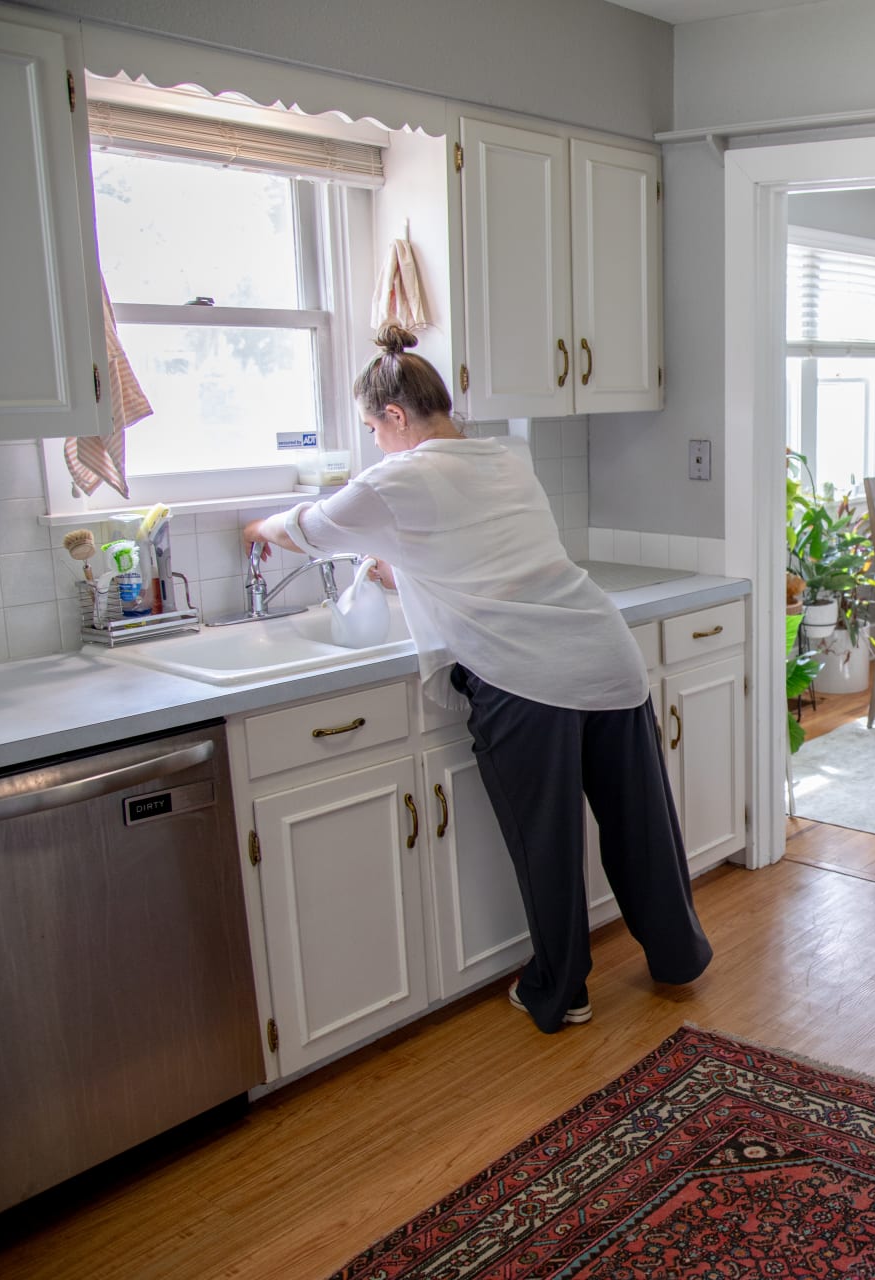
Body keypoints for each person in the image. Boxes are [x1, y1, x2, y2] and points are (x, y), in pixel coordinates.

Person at [244, 323, 712, 1033]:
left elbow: (305, 528)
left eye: (373, 427)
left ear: (395, 417)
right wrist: (399, 569)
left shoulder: (398, 477)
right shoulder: (506, 457)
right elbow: (479, 548)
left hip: (527, 677)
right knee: (640, 826)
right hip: (603, 652)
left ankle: (561, 991)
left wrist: (253, 528)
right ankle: (678, 958)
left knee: (545, 843)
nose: (374, 442)